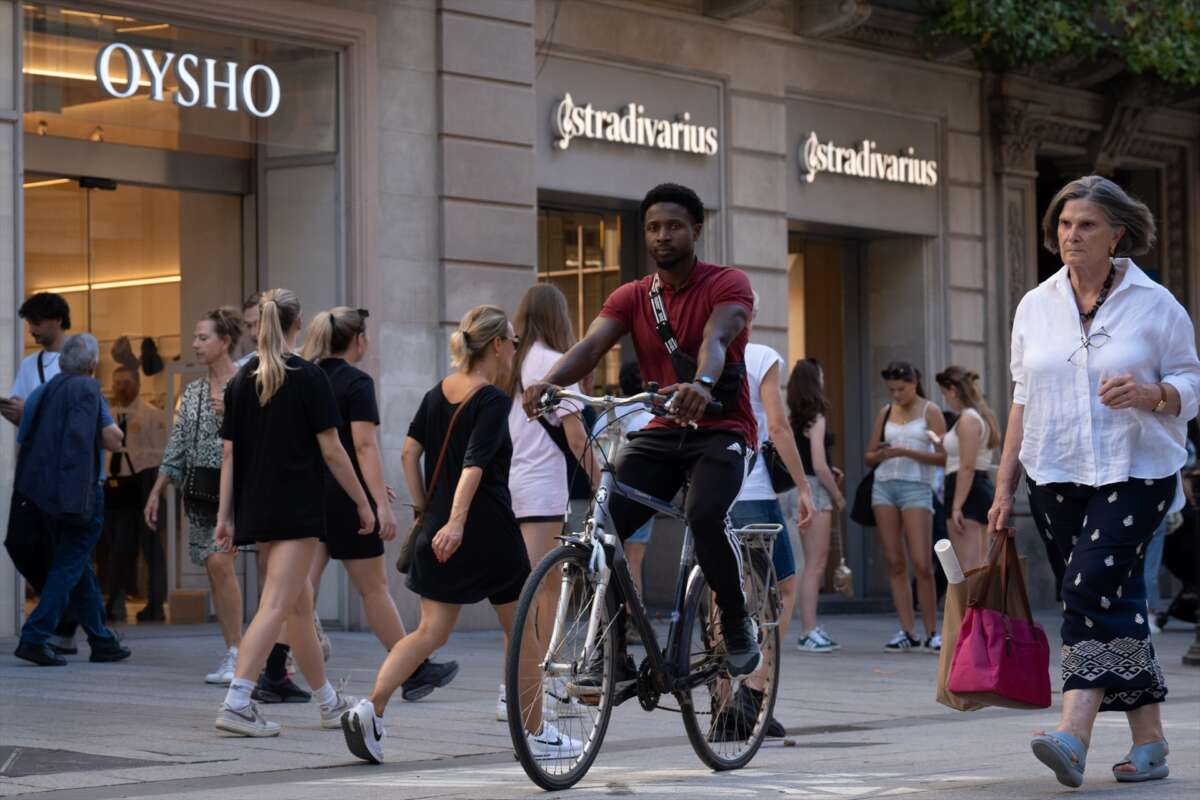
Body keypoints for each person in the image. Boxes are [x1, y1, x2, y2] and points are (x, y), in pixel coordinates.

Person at [990, 175, 1200, 787]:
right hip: (1054, 470)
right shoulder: (1035, 304)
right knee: (1115, 600)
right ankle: (1151, 744)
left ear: (1118, 235)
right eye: (1063, 224)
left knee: (1085, 589)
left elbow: (1191, 383)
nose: (1070, 235)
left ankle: (1072, 734)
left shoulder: (1156, 304)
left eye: (1085, 225)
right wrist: (1004, 488)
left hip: (1136, 468)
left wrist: (1151, 392)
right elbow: (1022, 400)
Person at [522, 182, 777, 683]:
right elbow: (592, 347)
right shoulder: (633, 296)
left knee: (705, 515)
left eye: (674, 226)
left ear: (696, 229)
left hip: (722, 429)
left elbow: (718, 338)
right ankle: (611, 651)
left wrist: (702, 384)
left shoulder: (727, 284)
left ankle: (735, 618)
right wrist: (548, 383)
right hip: (664, 431)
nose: (663, 236)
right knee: (607, 524)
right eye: (654, 228)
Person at [340, 305, 576, 763]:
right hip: (485, 532)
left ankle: (371, 707)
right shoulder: (489, 399)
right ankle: (534, 732)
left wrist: (426, 508)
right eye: (510, 340)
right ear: (494, 345)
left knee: (429, 631)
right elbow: (475, 462)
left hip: (440, 531)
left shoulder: (437, 392)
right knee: (525, 630)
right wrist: (457, 519)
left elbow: (409, 453)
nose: (513, 348)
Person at [213, 289, 369, 737]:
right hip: (297, 506)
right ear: (297, 323)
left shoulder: (242, 382)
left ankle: (326, 701)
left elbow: (229, 455)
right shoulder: (307, 376)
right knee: (278, 605)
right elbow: (334, 450)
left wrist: (226, 516)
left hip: (258, 507)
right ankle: (238, 699)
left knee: (299, 606)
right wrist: (363, 501)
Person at [299, 307, 459, 702]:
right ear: (359, 340)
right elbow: (363, 446)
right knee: (373, 589)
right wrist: (376, 503)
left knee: (299, 590)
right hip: (347, 498)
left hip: (308, 492)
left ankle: (272, 670)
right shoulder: (356, 382)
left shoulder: (307, 376)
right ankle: (414, 670)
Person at [500, 284, 596, 720]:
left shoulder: (516, 361)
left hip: (516, 483)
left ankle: (535, 686)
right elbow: (576, 435)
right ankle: (523, 690)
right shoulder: (556, 364)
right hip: (541, 487)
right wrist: (601, 479)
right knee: (542, 591)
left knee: (536, 589)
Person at [727, 295, 816, 738]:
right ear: (752, 316)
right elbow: (778, 428)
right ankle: (753, 693)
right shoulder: (760, 356)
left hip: (713, 492)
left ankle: (727, 702)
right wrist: (803, 487)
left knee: (724, 594)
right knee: (778, 589)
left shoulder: (694, 358)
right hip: (755, 493)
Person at [12, 334, 131, 666]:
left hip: (41, 497)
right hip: (77, 496)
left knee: (77, 566)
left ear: (63, 361)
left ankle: (101, 640)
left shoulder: (41, 392)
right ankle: (34, 636)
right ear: (93, 365)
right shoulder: (87, 390)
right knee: (68, 565)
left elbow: (23, 441)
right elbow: (107, 440)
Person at [145, 308, 248, 685]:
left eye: (203, 338)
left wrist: (236, 412)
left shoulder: (247, 383)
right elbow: (177, 445)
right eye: (195, 337)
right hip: (202, 493)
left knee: (224, 566)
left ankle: (252, 653)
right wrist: (157, 489)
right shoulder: (192, 392)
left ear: (224, 342)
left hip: (241, 490)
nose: (195, 344)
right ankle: (235, 651)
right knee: (214, 568)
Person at [866, 360, 947, 653]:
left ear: (914, 383)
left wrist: (906, 451)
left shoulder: (931, 411)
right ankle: (907, 629)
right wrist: (883, 453)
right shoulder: (885, 411)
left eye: (901, 389)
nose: (896, 394)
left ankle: (933, 631)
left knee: (923, 563)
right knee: (894, 561)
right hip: (884, 485)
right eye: (891, 390)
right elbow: (869, 455)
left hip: (916, 487)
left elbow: (943, 456)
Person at [785, 358, 846, 653]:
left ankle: (810, 627)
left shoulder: (795, 418)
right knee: (815, 564)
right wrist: (837, 495)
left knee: (809, 563)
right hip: (815, 490)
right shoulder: (817, 417)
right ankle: (808, 630)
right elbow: (820, 464)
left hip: (795, 488)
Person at [103, 367, 168, 622]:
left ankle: (155, 604)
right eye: (117, 383)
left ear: (138, 385)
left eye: (127, 382)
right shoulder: (108, 416)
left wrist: (155, 491)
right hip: (115, 487)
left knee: (151, 549)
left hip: (145, 483)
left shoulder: (152, 416)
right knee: (117, 549)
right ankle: (115, 602)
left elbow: (160, 454)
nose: (122, 387)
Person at [591, 361, 655, 600]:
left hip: (604, 490)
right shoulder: (647, 417)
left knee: (606, 557)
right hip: (636, 492)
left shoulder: (605, 415)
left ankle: (607, 614)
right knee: (634, 559)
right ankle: (632, 615)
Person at [934, 366, 999, 573]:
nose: (945, 399)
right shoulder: (977, 416)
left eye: (944, 394)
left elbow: (967, 466)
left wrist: (956, 506)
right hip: (975, 488)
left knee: (969, 568)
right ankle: (979, 607)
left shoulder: (968, 419)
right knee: (978, 565)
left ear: (952, 390)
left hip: (966, 490)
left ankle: (973, 607)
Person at [2, 292, 70, 425]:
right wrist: (13, 411)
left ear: (58, 319)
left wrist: (28, 411)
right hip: (38, 444)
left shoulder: (81, 359)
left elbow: (77, 412)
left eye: (37, 323)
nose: (31, 330)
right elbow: (19, 416)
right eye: (30, 323)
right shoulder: (28, 364)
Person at [234, 293, 261, 367]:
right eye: (249, 326)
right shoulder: (240, 368)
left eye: (259, 324)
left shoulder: (294, 363)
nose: (253, 333)